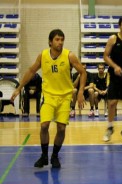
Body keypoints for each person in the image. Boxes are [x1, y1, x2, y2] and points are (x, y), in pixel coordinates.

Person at [10, 29, 87, 168]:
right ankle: (44, 156)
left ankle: (55, 156)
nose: (60, 42)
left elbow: (82, 72)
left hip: (65, 96)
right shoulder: (43, 55)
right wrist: (18, 88)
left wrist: (81, 91)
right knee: (44, 125)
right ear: (50, 42)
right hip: (48, 95)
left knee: (61, 129)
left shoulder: (70, 56)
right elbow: (31, 71)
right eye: (57, 39)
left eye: (62, 39)